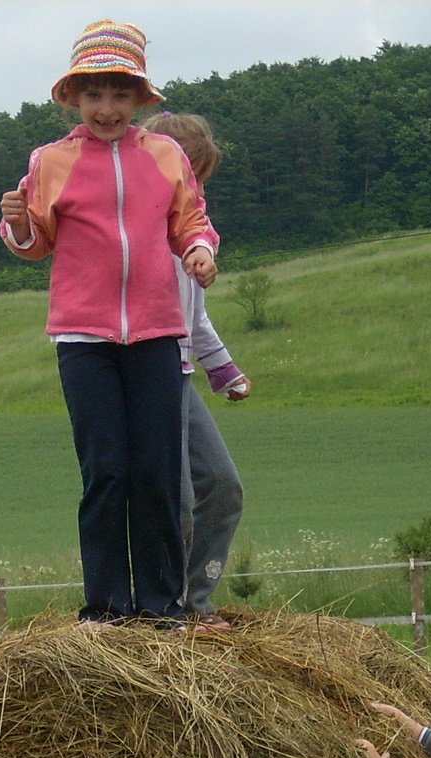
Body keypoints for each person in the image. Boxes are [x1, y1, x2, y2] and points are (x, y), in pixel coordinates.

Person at [0, 20, 218, 626]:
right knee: (107, 473)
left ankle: (161, 604)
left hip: (154, 335)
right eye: (94, 94)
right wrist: (17, 222)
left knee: (155, 472)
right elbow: (34, 241)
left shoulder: (167, 156)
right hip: (84, 340)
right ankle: (106, 607)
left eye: (121, 95)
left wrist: (200, 250)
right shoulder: (51, 161)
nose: (107, 108)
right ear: (73, 97)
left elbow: (191, 220)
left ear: (140, 100)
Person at [140, 111, 249, 633]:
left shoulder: (195, 244)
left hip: (182, 377)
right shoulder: (138, 239)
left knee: (224, 488)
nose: (197, 188)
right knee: (175, 503)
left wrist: (225, 373)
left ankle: (197, 601)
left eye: (201, 178)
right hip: (147, 376)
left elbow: (196, 319)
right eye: (190, 176)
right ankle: (163, 608)